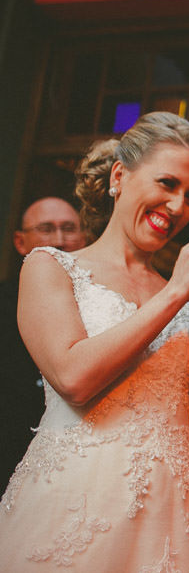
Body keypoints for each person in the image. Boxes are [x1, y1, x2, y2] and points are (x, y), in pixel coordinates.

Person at [0, 112, 189, 572]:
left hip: (166, 518)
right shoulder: (51, 267)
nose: (176, 206)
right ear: (119, 176)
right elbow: (73, 378)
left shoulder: (187, 293)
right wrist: (178, 289)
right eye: (167, 183)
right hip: (73, 507)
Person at [1, 197, 86, 490]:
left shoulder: (95, 300)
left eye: (69, 229)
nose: (60, 240)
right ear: (20, 241)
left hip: (78, 455)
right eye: (46, 229)